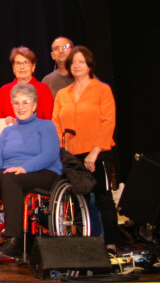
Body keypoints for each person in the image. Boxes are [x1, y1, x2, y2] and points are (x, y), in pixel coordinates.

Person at [0, 84, 62, 257]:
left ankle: (13, 239)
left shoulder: (46, 126)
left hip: (43, 172)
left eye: (25, 102)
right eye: (16, 103)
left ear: (34, 105)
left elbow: (50, 155)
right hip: (12, 174)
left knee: (10, 178)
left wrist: (25, 168)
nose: (21, 107)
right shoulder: (8, 131)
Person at [52, 46, 118, 251]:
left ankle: (110, 244)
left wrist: (95, 152)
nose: (77, 65)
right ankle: (87, 243)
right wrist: (62, 152)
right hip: (72, 155)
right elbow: (56, 124)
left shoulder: (102, 89)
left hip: (97, 152)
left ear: (89, 64)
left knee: (102, 199)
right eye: (73, 62)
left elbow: (108, 122)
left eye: (81, 61)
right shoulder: (63, 94)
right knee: (78, 201)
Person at [0, 46, 54, 122]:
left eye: (26, 63)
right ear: (13, 68)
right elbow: (0, 121)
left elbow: (49, 120)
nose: (22, 67)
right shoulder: (4, 91)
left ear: (33, 66)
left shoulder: (43, 89)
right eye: (18, 63)